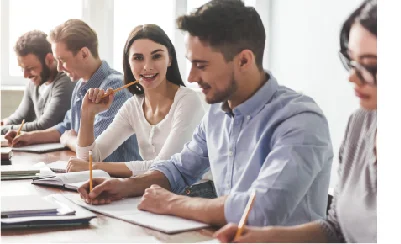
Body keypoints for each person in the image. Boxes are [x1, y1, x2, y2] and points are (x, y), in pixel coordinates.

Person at [78, 0, 333, 226]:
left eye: (202, 65)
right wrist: (124, 186)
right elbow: (179, 169)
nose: (191, 76)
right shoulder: (217, 114)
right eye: (191, 63)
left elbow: (264, 209)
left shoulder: (300, 120)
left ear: (244, 60)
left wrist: (171, 203)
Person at [214, 0, 377, 242]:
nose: (352, 77)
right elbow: (336, 229)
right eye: (351, 61)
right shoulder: (360, 123)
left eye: (370, 65)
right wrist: (266, 237)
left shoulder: (300, 116)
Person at [66, 24, 205, 178]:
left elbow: (164, 167)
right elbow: (88, 158)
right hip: (155, 190)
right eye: (138, 58)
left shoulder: (188, 101)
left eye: (156, 56)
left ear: (169, 59)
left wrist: (93, 167)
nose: (147, 67)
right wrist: (87, 115)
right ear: (128, 62)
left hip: (196, 193)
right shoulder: (133, 106)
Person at [5, 19, 141, 162]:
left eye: (62, 60)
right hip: (88, 173)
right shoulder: (80, 84)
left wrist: (69, 140)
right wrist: (31, 137)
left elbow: (94, 151)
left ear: (84, 53)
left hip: (114, 178)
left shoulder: (114, 87)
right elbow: (66, 126)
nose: (59, 68)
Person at [1, 30, 75, 135]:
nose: (25, 75)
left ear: (49, 59)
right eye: (22, 69)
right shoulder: (34, 82)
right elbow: (20, 117)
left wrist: (3, 130)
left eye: (30, 68)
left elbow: (44, 126)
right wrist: (5, 123)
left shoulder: (65, 82)